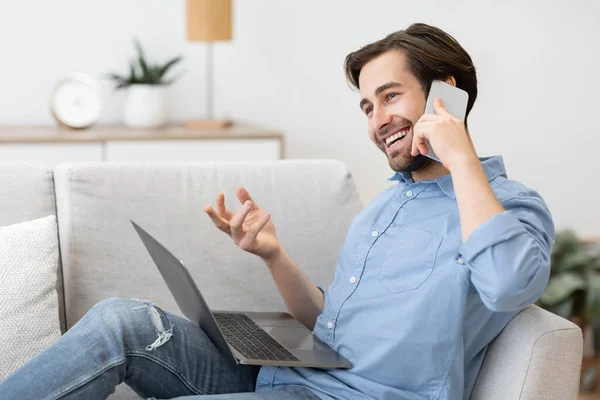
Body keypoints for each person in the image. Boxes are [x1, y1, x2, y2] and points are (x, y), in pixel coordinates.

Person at [0, 23, 554, 400]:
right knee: (124, 319)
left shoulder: (508, 204)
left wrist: (459, 159)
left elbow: (508, 285)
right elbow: (327, 325)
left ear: (444, 94)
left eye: (390, 96)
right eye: (367, 106)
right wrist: (273, 255)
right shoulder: (385, 203)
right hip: (294, 377)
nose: (376, 119)